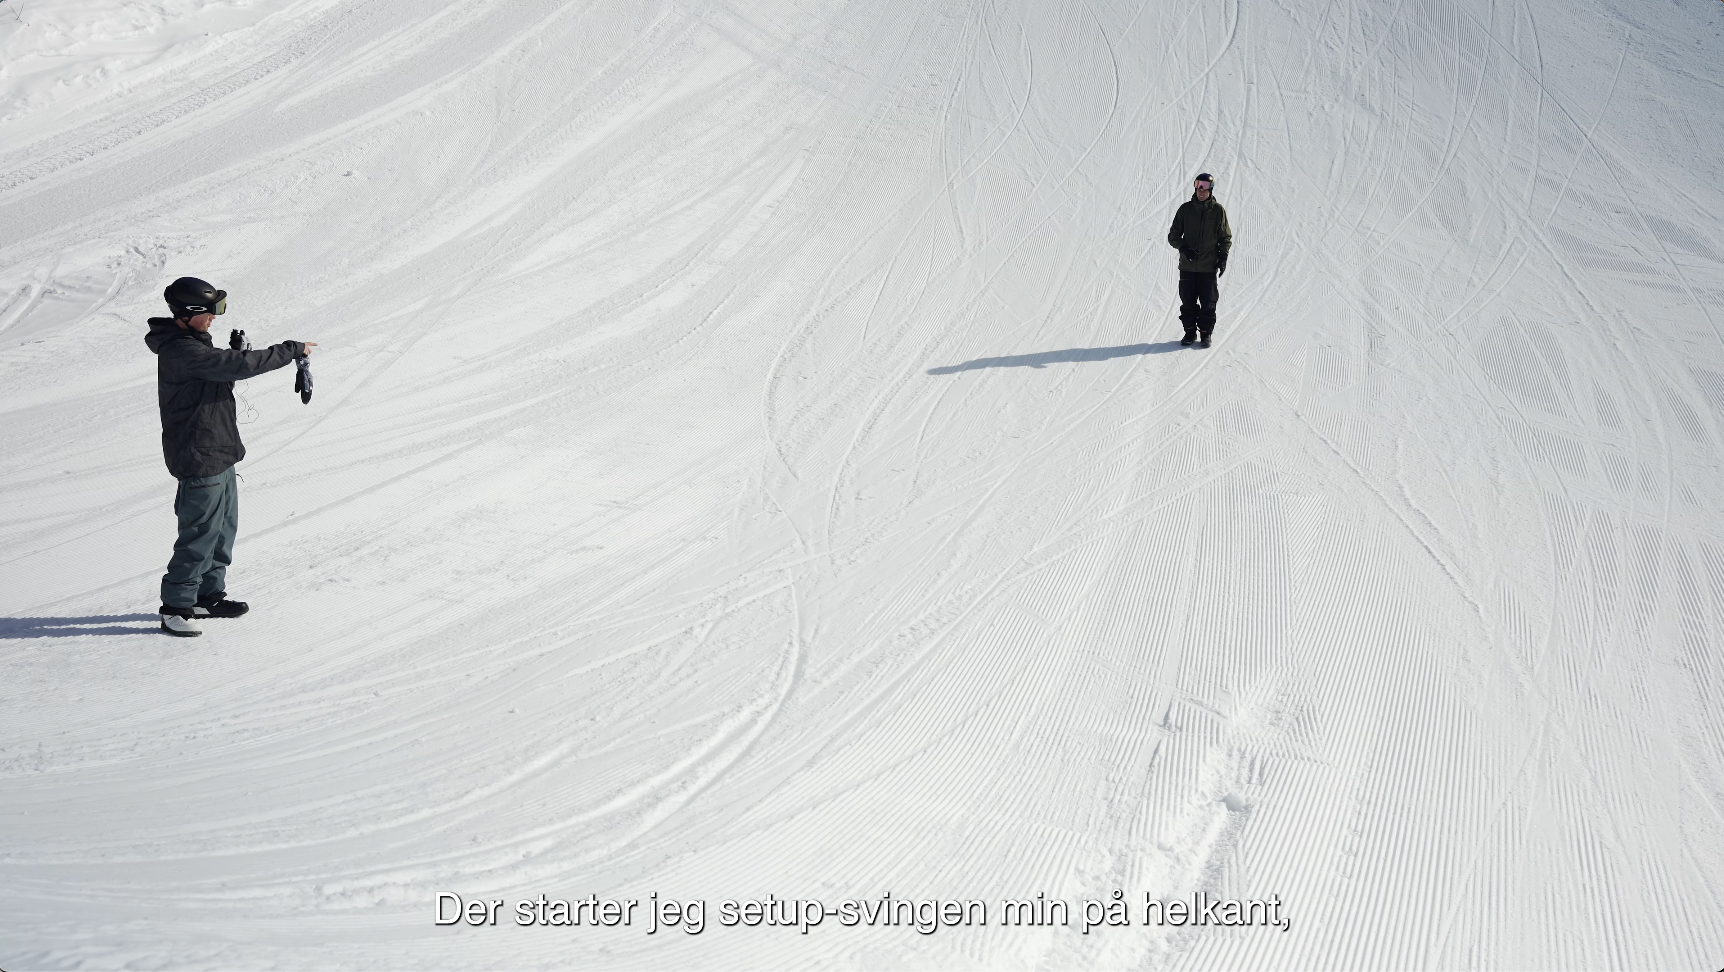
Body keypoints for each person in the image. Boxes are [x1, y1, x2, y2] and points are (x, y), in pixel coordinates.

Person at [144, 277, 316, 637]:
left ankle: (207, 596)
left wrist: (231, 355)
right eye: (212, 311)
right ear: (189, 313)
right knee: (199, 534)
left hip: (219, 450)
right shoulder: (182, 351)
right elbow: (236, 367)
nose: (216, 318)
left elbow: (219, 376)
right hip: (198, 456)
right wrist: (290, 350)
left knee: (222, 532)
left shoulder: (196, 344)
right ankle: (176, 606)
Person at [1166, 172, 1232, 348]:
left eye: (1204, 186)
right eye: (1198, 185)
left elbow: (1225, 238)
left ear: (1210, 189)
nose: (1201, 190)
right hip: (1187, 267)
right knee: (1188, 302)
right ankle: (1189, 332)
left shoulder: (1218, 211)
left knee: (1208, 303)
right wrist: (1184, 248)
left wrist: (1223, 256)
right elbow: (1173, 235)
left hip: (1208, 267)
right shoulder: (1185, 210)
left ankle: (1205, 333)